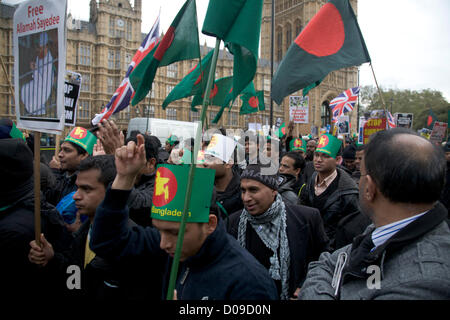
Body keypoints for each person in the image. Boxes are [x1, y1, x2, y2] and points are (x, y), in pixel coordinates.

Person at [90, 135, 279, 300]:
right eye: (159, 229)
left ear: (210, 224)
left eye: (174, 232)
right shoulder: (168, 248)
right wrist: (124, 178)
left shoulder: (248, 283)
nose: (164, 243)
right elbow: (106, 242)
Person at [299, 128, 450, 300]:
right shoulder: (382, 230)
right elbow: (326, 265)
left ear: (369, 188)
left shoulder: (423, 284)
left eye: (361, 174)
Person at [227, 164, 329, 300]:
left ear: (273, 190)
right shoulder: (233, 224)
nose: (246, 198)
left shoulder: (306, 219)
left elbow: (323, 260)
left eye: (253, 190)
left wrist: (306, 285)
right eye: (243, 190)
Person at [0, 138, 71, 301]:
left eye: (67, 150)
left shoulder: (12, 230)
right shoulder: (34, 202)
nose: (60, 155)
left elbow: (76, 281)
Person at [300, 134, 370, 250]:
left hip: (333, 250)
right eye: (316, 155)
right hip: (309, 244)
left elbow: (354, 228)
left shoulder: (349, 191)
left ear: (338, 160)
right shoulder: (312, 179)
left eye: (325, 156)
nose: (318, 160)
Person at [202, 134, 244, 220]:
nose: (205, 163)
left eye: (211, 158)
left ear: (228, 163)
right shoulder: (201, 188)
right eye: (205, 158)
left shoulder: (243, 194)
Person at [20, 31, 55, 116]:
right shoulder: (39, 56)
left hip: (43, 89)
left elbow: (42, 83)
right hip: (36, 84)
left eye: (40, 48)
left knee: (31, 105)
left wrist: (34, 70)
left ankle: (36, 110)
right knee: (25, 89)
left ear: (45, 47)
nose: (38, 50)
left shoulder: (48, 61)